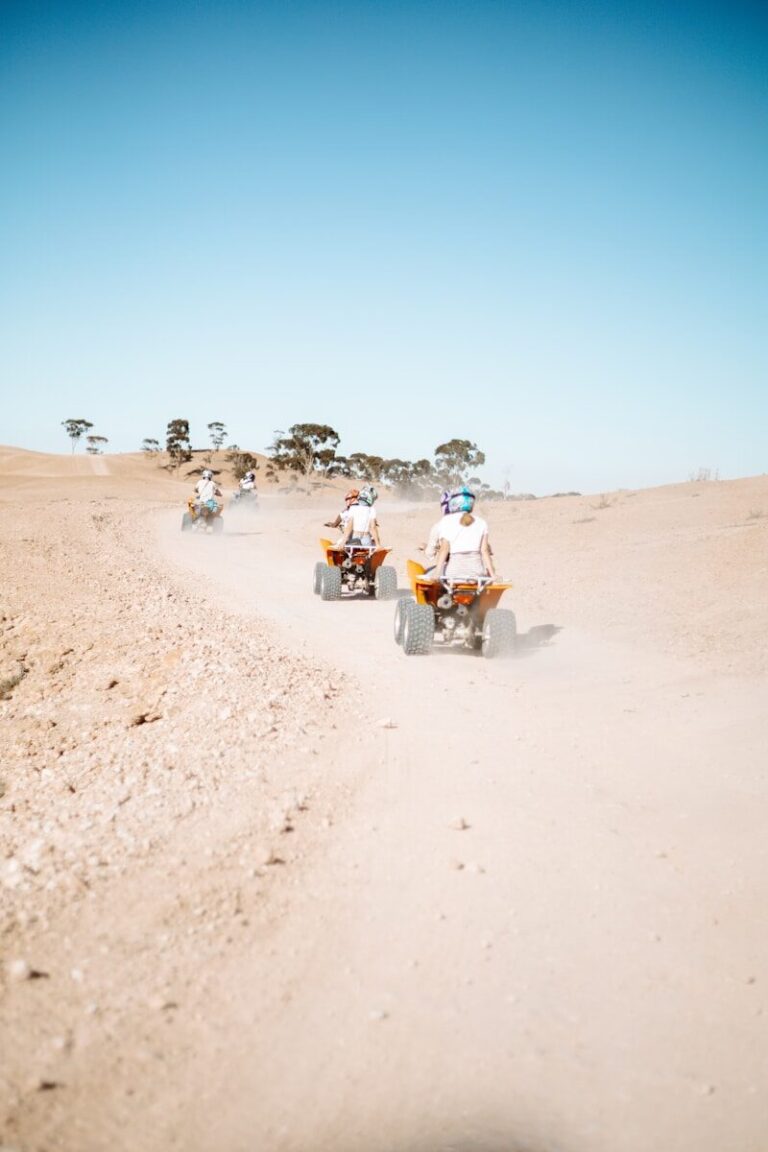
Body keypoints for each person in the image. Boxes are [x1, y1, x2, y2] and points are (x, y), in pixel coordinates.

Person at [434, 487, 496, 581]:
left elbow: (444, 549)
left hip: (453, 572)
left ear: (454, 502)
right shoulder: (482, 522)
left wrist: (436, 573)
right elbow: (484, 551)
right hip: (476, 572)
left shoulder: (446, 521)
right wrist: (493, 575)